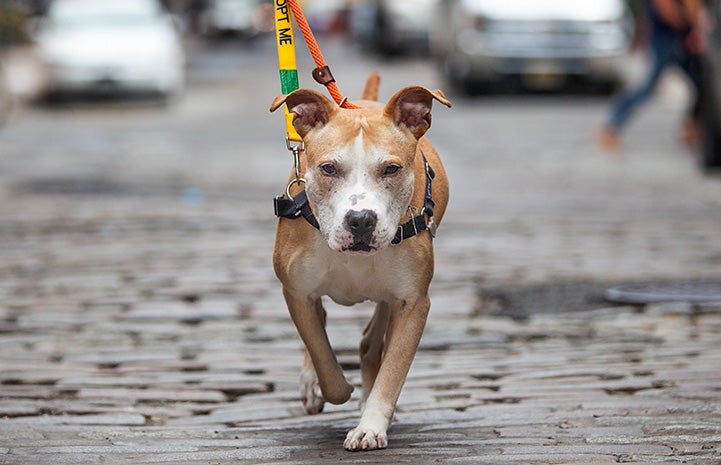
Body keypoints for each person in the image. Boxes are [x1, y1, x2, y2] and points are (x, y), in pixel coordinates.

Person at [597, 0, 705, 151]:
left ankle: (692, 128)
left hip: (670, 38)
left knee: (701, 83)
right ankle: (611, 126)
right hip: (667, 40)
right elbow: (667, 9)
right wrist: (694, 27)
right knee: (647, 87)